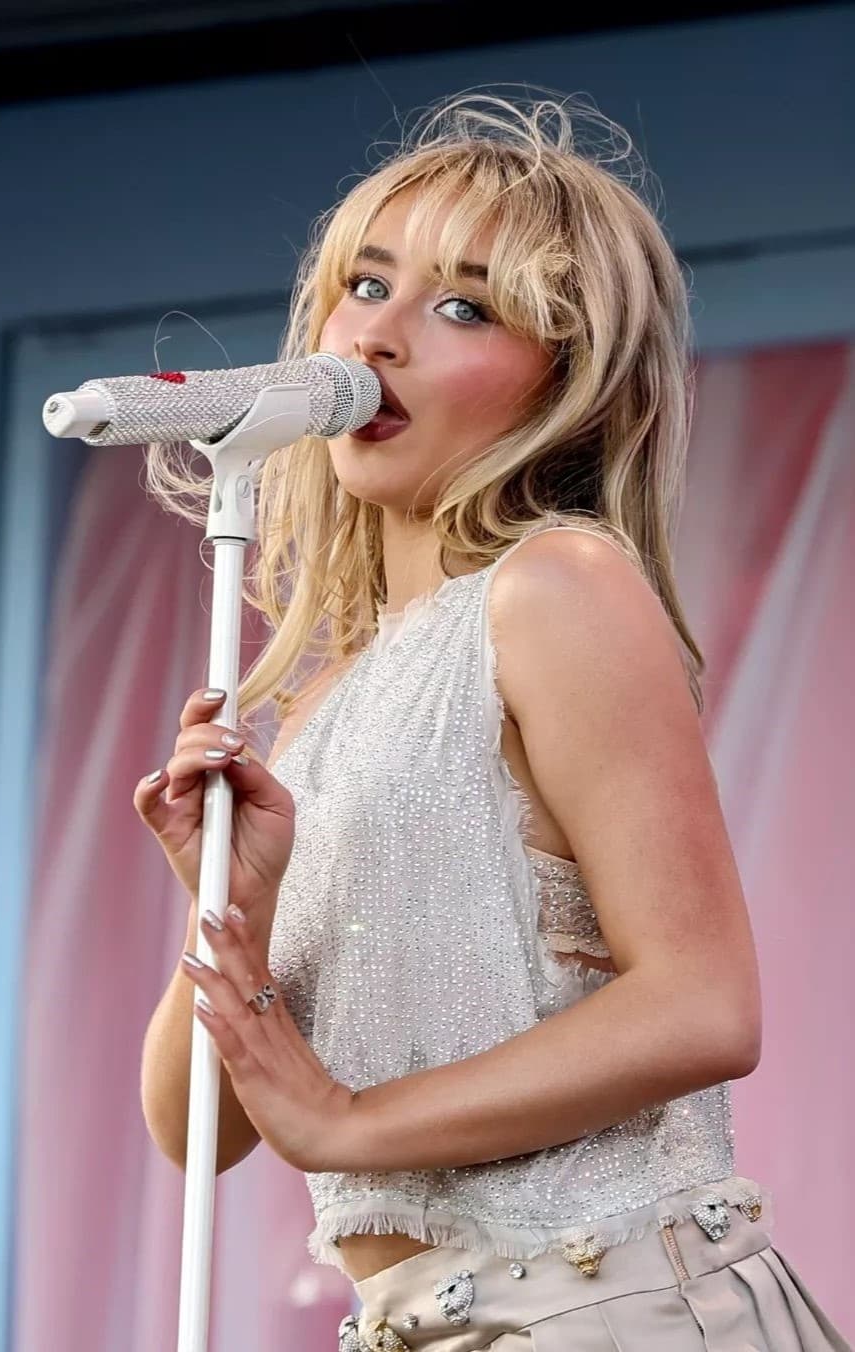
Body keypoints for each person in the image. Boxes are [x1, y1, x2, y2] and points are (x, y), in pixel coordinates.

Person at [136, 90, 851, 1350]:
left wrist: (348, 1119)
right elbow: (197, 1129)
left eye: (465, 307)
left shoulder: (555, 587)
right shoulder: (324, 704)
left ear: (566, 384)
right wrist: (230, 903)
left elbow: (703, 1003)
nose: (380, 334)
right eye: (366, 285)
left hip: (614, 1311)